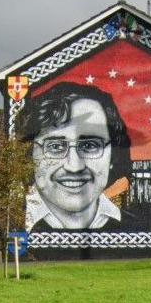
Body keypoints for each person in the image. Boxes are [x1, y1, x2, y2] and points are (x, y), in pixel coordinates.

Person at [20, 82, 133, 231]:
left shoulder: (135, 227)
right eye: (55, 147)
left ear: (112, 155)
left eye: (90, 145)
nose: (74, 166)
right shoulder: (12, 221)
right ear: (30, 153)